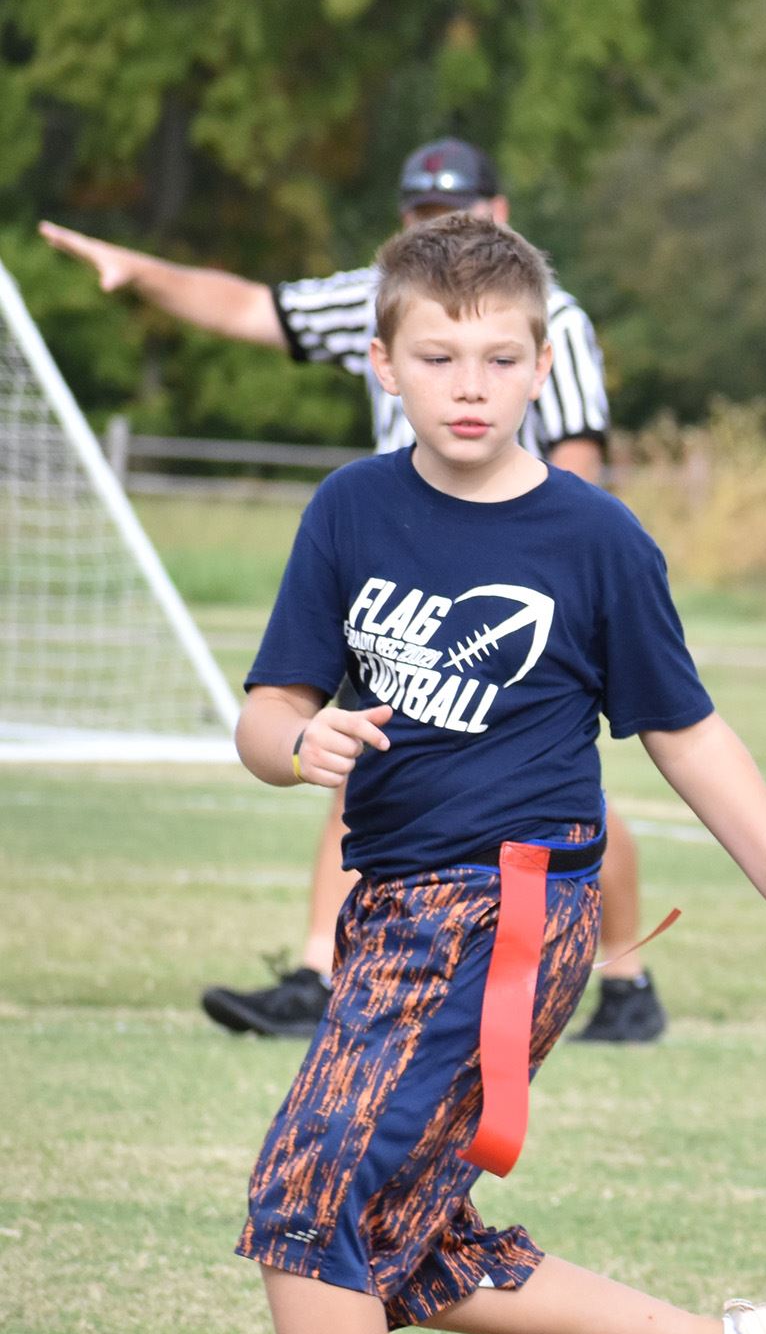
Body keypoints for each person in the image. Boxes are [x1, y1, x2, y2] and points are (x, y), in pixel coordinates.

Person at [186, 213, 766, 1334]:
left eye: (501, 359)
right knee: (396, 1232)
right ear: (382, 363)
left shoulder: (594, 536)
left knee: (314, 1198)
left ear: (542, 365)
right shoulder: (348, 511)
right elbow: (266, 711)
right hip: (391, 911)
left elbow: (686, 731)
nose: (470, 385)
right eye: (438, 356)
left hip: (507, 909)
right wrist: (297, 744)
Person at [40, 138, 668, 1042]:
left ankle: (628, 978)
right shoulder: (380, 298)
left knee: (558, 795)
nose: (442, 222)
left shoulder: (548, 320)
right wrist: (140, 271)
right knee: (359, 747)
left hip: (514, 573)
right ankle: (321, 970)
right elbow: (250, 307)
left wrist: (557, 559)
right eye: (423, 211)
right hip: (397, 558)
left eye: (461, 206)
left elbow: (575, 457)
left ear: (500, 211)